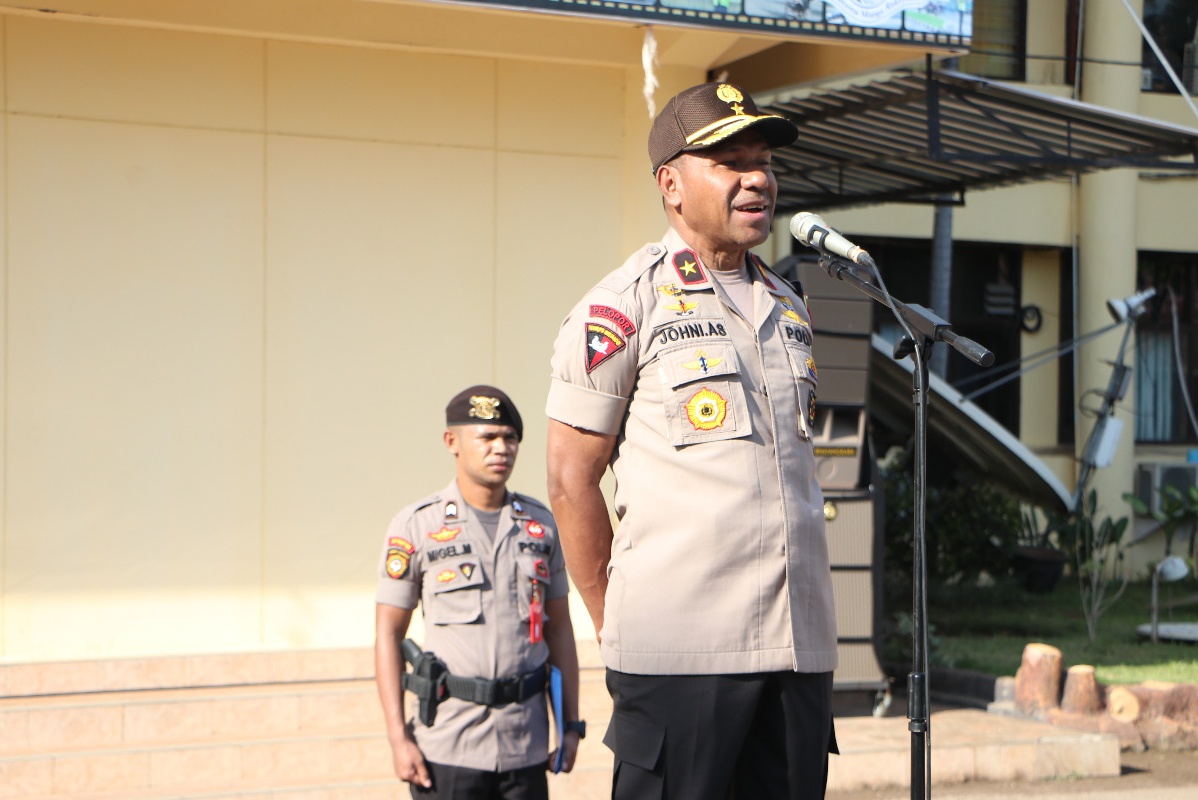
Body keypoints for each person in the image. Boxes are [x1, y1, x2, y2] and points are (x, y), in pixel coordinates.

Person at [544, 82, 838, 800]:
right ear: (671, 184)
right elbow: (569, 478)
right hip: (681, 654)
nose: (758, 178)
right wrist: (612, 619)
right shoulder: (623, 305)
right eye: (729, 161)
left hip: (796, 649)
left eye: (763, 160)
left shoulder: (790, 306)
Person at [375, 385, 584, 799]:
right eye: (487, 437)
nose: (500, 448)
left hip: (524, 742)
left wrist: (570, 724)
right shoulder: (417, 526)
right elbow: (388, 634)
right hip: (448, 744)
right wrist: (398, 738)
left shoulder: (540, 526)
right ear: (452, 442)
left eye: (509, 437)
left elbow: (560, 630)